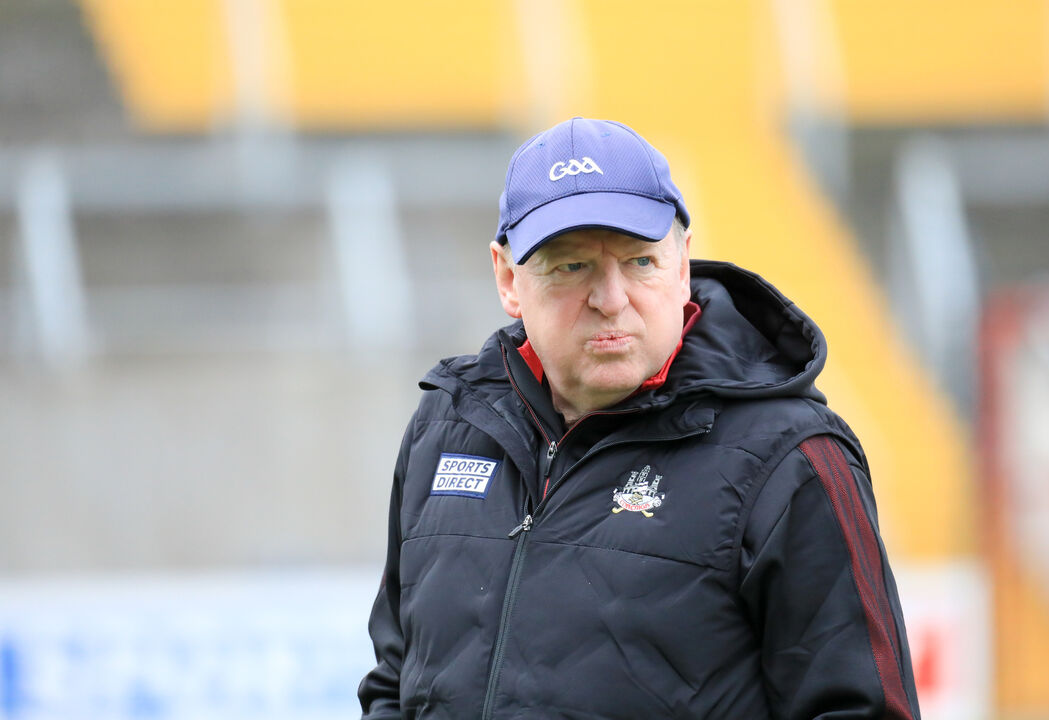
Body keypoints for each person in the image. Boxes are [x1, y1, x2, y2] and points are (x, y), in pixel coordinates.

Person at [358, 117, 920, 720]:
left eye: (640, 262)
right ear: (507, 277)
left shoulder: (791, 462)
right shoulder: (445, 426)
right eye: (571, 267)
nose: (611, 298)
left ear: (682, 266)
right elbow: (396, 681)